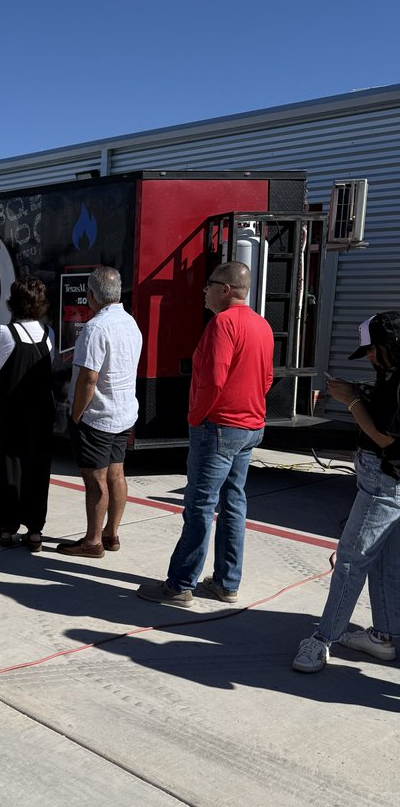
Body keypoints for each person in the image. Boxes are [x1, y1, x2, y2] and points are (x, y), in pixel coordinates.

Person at [137, 260, 273, 606]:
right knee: (234, 502)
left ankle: (181, 584)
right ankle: (227, 581)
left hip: (219, 425)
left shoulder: (222, 325)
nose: (205, 292)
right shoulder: (261, 325)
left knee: (199, 505)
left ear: (225, 289)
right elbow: (267, 378)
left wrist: (196, 416)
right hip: (249, 425)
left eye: (209, 285)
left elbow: (213, 379)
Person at [293, 311, 400, 672]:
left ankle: (323, 639)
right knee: (385, 563)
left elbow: (386, 436)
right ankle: (383, 636)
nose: (369, 357)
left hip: (385, 482)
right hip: (388, 481)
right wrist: (358, 392)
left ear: (390, 345)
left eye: (372, 351)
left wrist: (351, 401)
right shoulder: (391, 374)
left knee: (351, 562)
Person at [58, 267, 143, 558]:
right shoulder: (131, 323)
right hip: (123, 412)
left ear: (91, 295)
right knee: (117, 474)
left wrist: (76, 414)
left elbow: (88, 378)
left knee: (95, 480)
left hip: (97, 416)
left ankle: (92, 541)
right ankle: (111, 534)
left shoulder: (95, 328)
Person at [0, 277, 55, 551]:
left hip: (7, 413)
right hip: (40, 413)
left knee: (5, 468)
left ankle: (6, 527)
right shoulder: (49, 334)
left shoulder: (2, 334)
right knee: (38, 469)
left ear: (13, 303)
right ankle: (35, 530)